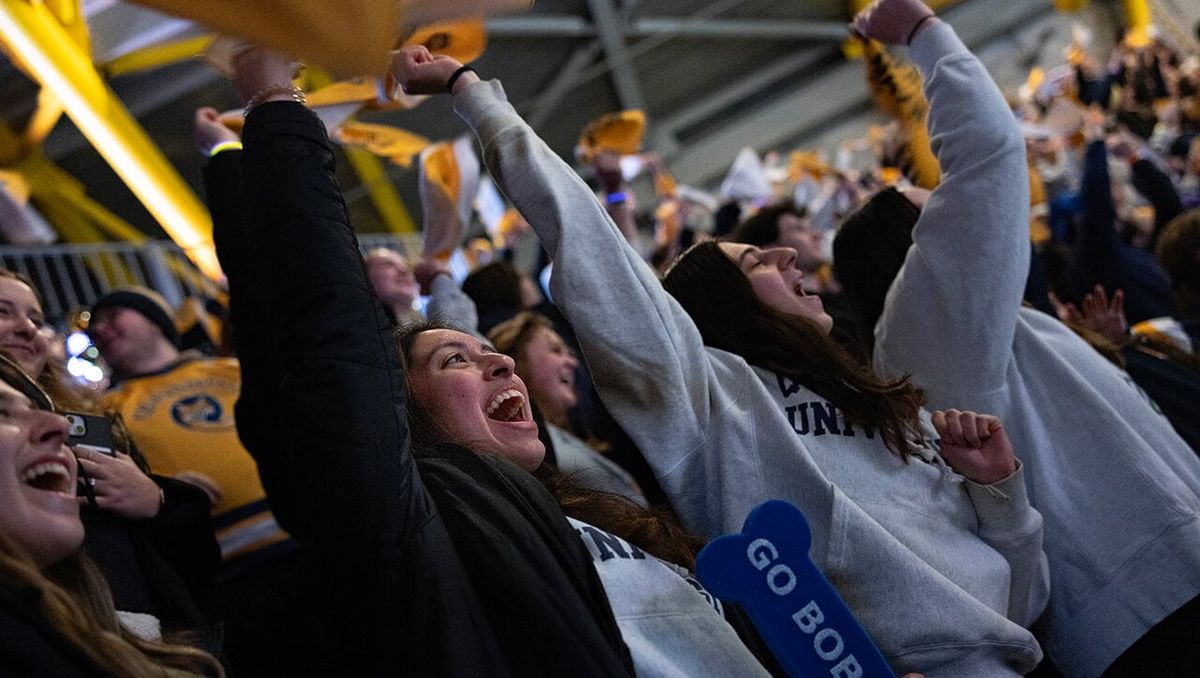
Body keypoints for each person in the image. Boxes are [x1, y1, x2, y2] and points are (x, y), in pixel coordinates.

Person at [398, 1, 1049, 674]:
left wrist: (1003, 497)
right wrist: (473, 94)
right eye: (755, 261)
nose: (789, 257)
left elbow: (1023, 606)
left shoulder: (889, 404)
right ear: (719, 310)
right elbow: (597, 256)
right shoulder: (714, 408)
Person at [214, 46, 779, 677]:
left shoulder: (603, 515)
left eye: (495, 353)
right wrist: (273, 110)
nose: (504, 366)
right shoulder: (417, 531)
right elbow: (327, 330)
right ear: (400, 413)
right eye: (456, 359)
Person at [831, 3, 1200, 677]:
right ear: (908, 250)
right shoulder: (922, 326)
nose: (946, 208)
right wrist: (921, 32)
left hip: (1159, 590)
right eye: (927, 203)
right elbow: (991, 152)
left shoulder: (956, 332)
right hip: (1154, 611)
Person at [85, 285, 311, 675]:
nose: (100, 329)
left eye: (112, 316)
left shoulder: (232, 368)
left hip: (310, 546)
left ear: (156, 320)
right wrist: (170, 493)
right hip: (226, 579)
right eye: (95, 325)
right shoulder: (103, 409)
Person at [0, 269, 221, 651]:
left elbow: (186, 568)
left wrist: (159, 500)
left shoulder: (98, 423)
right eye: (3, 312)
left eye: (36, 319)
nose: (28, 329)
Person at [488, 312, 645, 504]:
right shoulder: (528, 458)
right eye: (555, 350)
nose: (573, 362)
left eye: (569, 353)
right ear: (516, 365)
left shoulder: (571, 437)